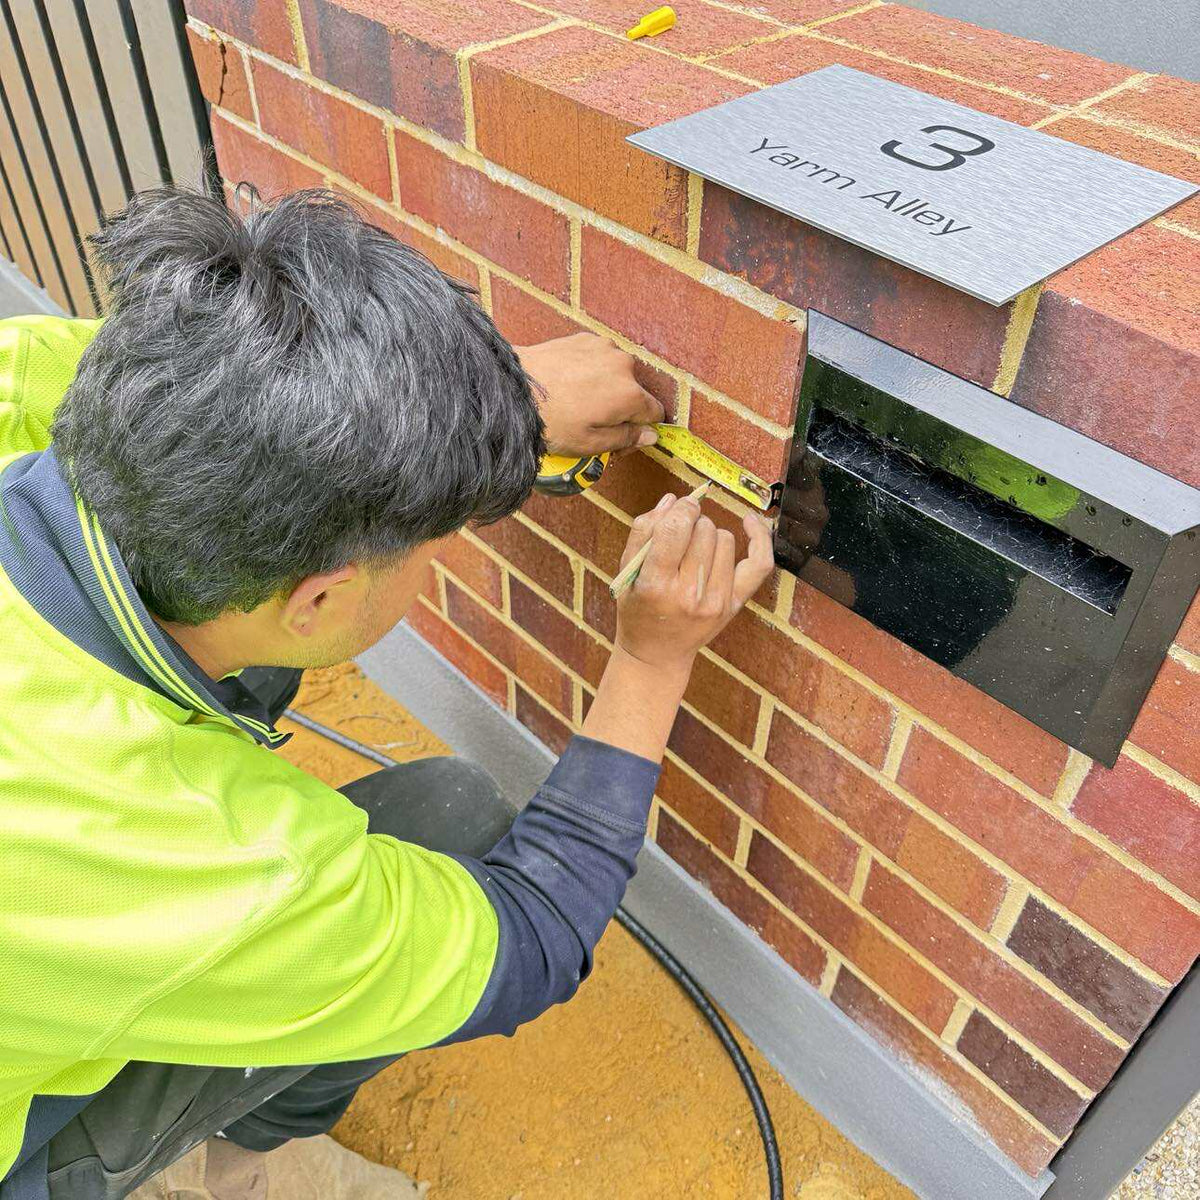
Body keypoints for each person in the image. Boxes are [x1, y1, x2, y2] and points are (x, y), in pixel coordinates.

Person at [0, 186, 773, 1200]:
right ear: (322, 595)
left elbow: (254, 401)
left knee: (248, 659)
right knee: (453, 820)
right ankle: (228, 1174)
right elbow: (531, 934)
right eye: (430, 543)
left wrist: (494, 406)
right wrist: (651, 660)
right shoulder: (194, 855)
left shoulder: (49, 384)